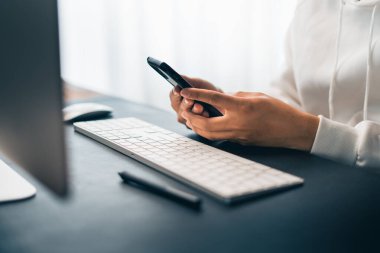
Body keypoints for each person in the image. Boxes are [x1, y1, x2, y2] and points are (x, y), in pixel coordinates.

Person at [169, 0, 380, 168]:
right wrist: (229, 108)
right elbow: (290, 91)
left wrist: (309, 133)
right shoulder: (312, 5)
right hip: (310, 171)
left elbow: (301, 127)